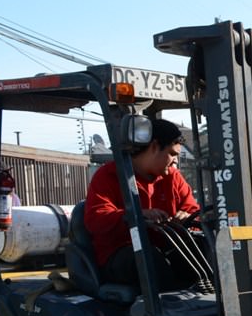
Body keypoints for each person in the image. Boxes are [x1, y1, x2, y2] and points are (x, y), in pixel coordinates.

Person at [84, 119, 200, 289]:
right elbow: (96, 218)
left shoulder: (172, 178)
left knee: (201, 250)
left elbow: (192, 208)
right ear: (154, 147)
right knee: (149, 258)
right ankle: (167, 310)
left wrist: (186, 216)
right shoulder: (109, 176)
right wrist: (136, 214)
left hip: (164, 248)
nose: (175, 161)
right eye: (172, 154)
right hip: (120, 254)